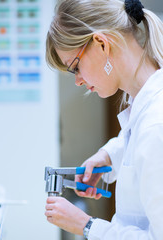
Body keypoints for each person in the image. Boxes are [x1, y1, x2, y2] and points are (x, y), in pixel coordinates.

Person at [44, 0, 163, 239]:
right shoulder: (143, 105)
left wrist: (87, 226)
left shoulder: (155, 124)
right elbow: (136, 144)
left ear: (101, 43)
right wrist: (108, 156)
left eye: (74, 67)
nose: (77, 81)